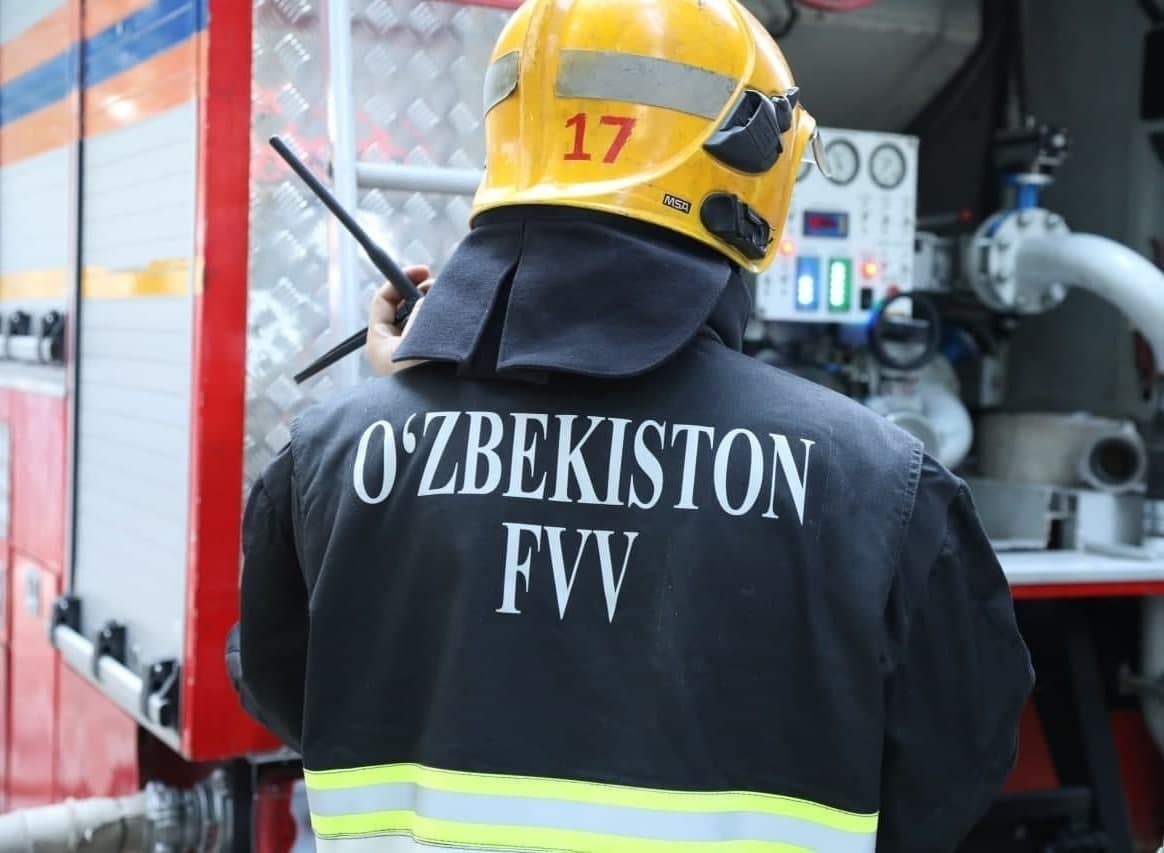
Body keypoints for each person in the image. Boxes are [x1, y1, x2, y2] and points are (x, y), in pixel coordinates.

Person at [233, 0, 1035, 850]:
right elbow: (956, 755)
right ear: (755, 167)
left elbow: (288, 685)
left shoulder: (333, 455)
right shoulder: (881, 486)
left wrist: (416, 418)